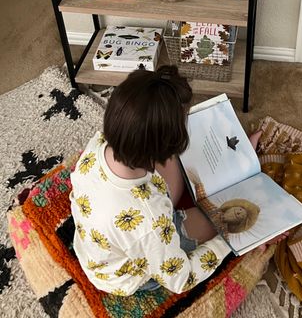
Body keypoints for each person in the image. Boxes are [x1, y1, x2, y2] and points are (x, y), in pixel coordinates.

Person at [70, 66, 230, 296]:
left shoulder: (99, 144)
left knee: (180, 176)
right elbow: (181, 280)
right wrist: (227, 243)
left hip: (106, 243)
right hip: (128, 273)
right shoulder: (151, 221)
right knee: (222, 218)